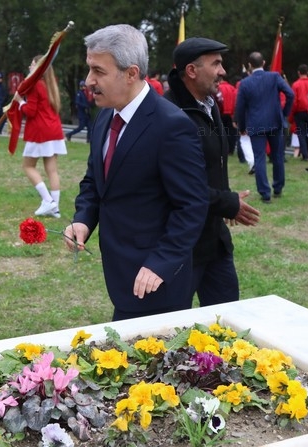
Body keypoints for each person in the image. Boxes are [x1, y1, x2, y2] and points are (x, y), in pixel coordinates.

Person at [63, 24, 209, 321]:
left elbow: (192, 205)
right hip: (121, 274)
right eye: (90, 69)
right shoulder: (105, 117)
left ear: (131, 73)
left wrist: (161, 263)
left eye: (98, 71)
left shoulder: (172, 126)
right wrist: (83, 220)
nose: (89, 80)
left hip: (157, 282)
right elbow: (95, 181)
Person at [164, 37, 260, 306]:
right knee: (171, 329)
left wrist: (223, 201)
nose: (223, 71)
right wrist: (227, 203)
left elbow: (209, 165)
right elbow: (176, 185)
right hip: (181, 246)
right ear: (192, 71)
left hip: (214, 239)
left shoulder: (208, 105)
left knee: (225, 324)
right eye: (216, 64)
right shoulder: (169, 114)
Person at [12, 55, 67, 218]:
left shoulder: (36, 85)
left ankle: (48, 201)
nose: (30, 66)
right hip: (54, 130)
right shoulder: (50, 84)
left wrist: (20, 101)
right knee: (52, 170)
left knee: (28, 166)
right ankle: (55, 207)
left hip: (40, 132)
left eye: (32, 64)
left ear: (39, 67)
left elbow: (30, 111)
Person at [236, 52, 294, 203]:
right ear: (264, 62)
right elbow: (290, 94)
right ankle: (278, 187)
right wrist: (284, 113)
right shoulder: (274, 77)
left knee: (260, 158)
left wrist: (241, 126)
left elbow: (240, 108)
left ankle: (265, 193)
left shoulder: (245, 83)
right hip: (275, 120)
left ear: (249, 66)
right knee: (277, 156)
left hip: (255, 123)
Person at [290, 64, 308, 161]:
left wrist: (292, 112)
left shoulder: (295, 84)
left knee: (301, 133)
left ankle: (305, 154)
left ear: (298, 73)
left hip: (299, 111)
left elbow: (294, 100)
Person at [216, 78, 237, 155]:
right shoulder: (232, 88)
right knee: (231, 132)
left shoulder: (218, 88)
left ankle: (223, 149)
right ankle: (231, 149)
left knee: (221, 131)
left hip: (221, 112)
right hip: (230, 113)